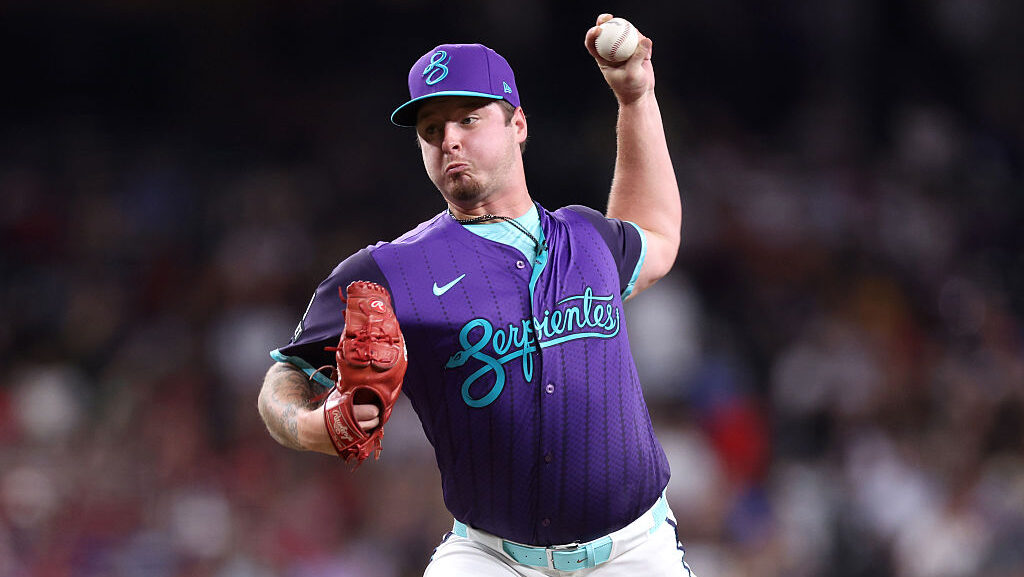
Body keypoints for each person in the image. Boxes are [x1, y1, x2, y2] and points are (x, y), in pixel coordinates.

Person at [258, 13, 693, 576]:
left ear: (517, 124)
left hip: (635, 552)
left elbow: (657, 235)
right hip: (490, 557)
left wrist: (636, 98)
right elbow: (284, 380)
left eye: (468, 117)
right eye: (431, 129)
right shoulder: (390, 270)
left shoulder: (586, 237)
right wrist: (311, 425)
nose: (450, 139)